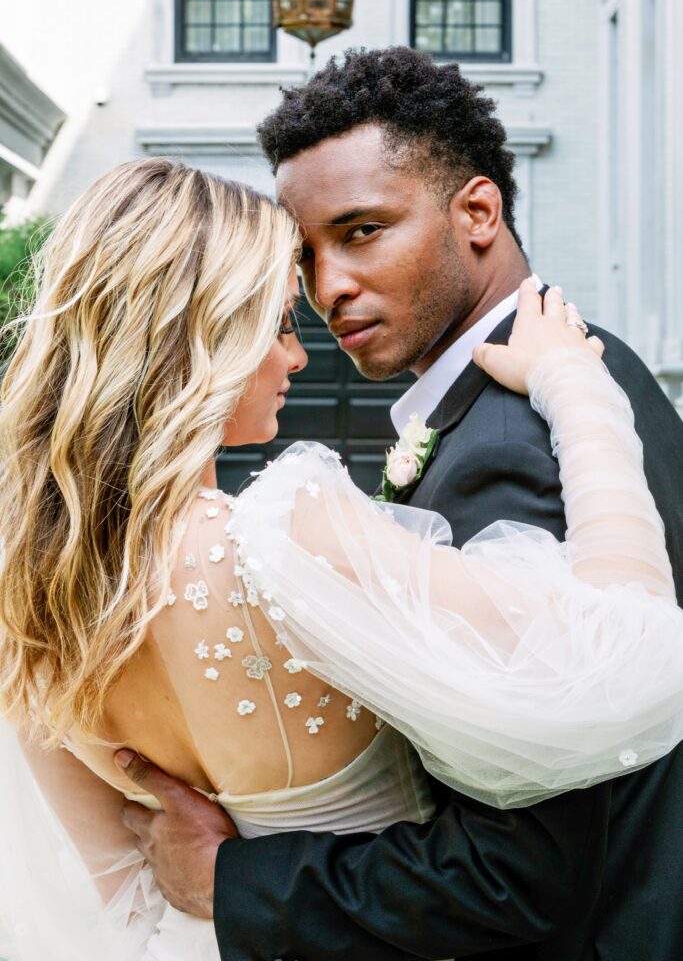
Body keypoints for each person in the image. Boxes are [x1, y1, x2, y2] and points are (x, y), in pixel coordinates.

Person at [0, 149, 680, 961]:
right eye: (277, 323)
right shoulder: (284, 532)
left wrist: (227, 888)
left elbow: (122, 897)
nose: (296, 356)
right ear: (199, 335)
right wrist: (575, 386)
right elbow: (626, 649)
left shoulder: (22, 582)